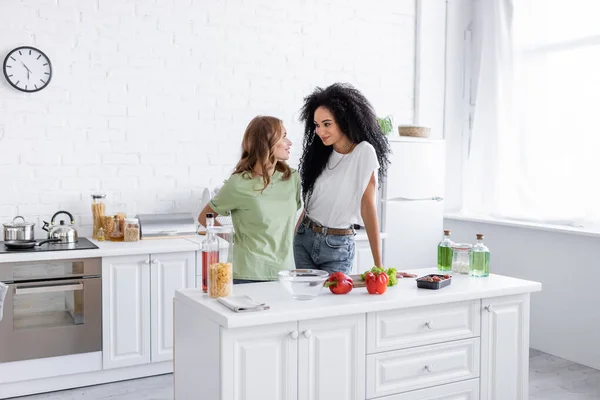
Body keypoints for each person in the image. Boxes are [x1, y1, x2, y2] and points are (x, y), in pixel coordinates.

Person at [294, 83, 391, 275]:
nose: (321, 131)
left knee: (333, 304)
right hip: (304, 239)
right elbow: (311, 203)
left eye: (327, 124)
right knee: (306, 304)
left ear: (344, 120)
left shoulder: (363, 152)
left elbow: (368, 207)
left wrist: (379, 265)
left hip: (336, 246)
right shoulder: (321, 154)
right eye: (317, 125)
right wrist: (294, 236)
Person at [198, 116, 301, 284]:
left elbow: (290, 220)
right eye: (283, 136)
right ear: (266, 142)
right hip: (248, 272)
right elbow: (205, 217)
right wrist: (233, 238)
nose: (289, 142)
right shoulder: (239, 183)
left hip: (285, 272)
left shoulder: (292, 178)